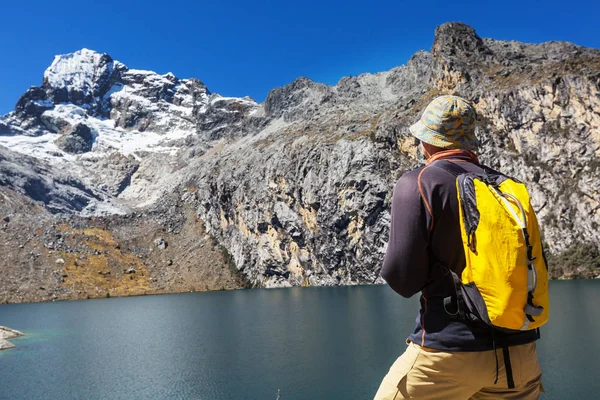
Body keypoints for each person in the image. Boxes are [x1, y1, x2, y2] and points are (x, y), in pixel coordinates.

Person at [374, 95, 544, 400]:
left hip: (446, 356)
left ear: (427, 142)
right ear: (470, 142)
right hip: (520, 356)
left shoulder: (420, 182)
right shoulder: (508, 187)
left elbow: (402, 280)